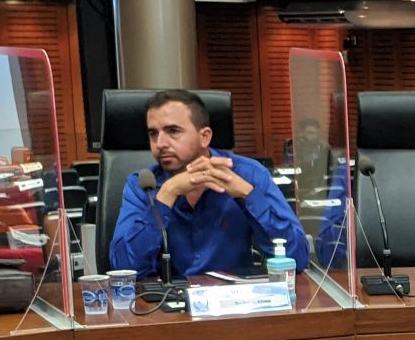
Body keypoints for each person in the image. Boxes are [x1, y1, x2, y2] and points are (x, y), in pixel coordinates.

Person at [109, 89, 305, 278]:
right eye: (153, 133)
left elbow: (297, 258)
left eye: (173, 131)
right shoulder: (143, 185)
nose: (160, 143)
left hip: (233, 295)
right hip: (166, 296)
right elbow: (124, 268)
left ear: (204, 137)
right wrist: (167, 194)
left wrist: (247, 195)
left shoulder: (248, 174)